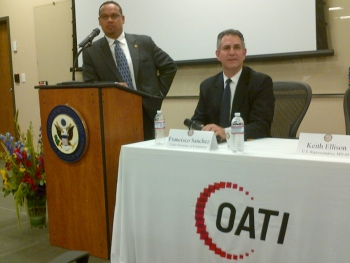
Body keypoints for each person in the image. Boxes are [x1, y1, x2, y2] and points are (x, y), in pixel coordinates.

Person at [82, 1, 177, 140]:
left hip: (145, 112)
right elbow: (90, 85)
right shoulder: (91, 52)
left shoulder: (144, 43)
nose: (110, 20)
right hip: (113, 117)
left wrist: (157, 95)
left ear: (123, 19)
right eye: (105, 17)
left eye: (114, 16)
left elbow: (169, 66)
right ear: (99, 21)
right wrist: (112, 87)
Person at [191, 29, 275, 141]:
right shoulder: (207, 86)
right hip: (216, 148)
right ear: (218, 55)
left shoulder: (260, 82)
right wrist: (201, 128)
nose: (232, 52)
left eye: (236, 47)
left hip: (247, 148)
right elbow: (197, 120)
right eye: (226, 48)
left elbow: (261, 126)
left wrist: (227, 133)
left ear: (244, 53)